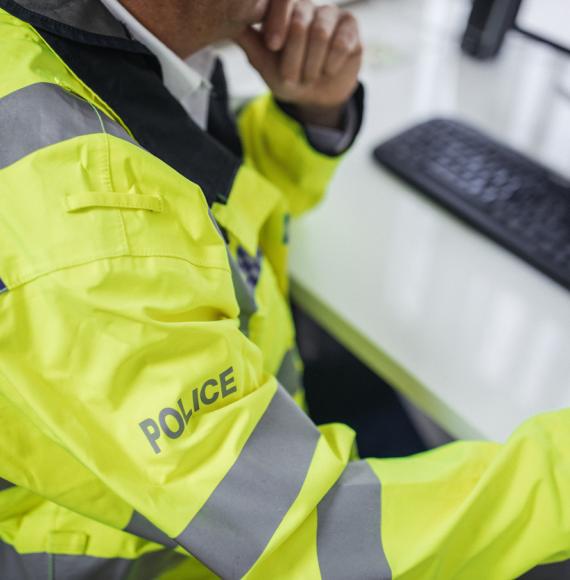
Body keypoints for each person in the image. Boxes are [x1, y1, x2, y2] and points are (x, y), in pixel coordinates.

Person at [0, 0, 568, 578]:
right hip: (162, 559)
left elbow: (191, 214)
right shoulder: (78, 229)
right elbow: (319, 539)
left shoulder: (91, 53)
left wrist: (308, 117)